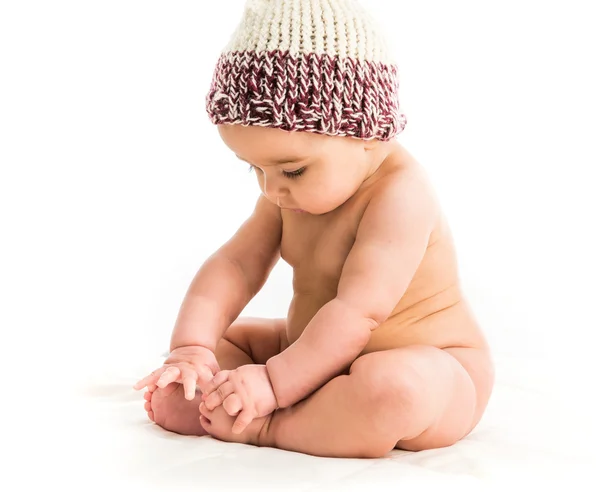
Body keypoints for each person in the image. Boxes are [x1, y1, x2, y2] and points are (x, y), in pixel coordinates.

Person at [133, 0, 495, 458]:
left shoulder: (401, 196)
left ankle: (267, 428)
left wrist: (274, 383)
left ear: (367, 134)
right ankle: (242, 402)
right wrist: (191, 350)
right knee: (220, 346)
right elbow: (236, 265)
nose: (272, 189)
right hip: (312, 352)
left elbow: (356, 313)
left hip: (434, 363)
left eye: (293, 171)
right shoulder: (285, 194)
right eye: (255, 170)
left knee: (393, 390)